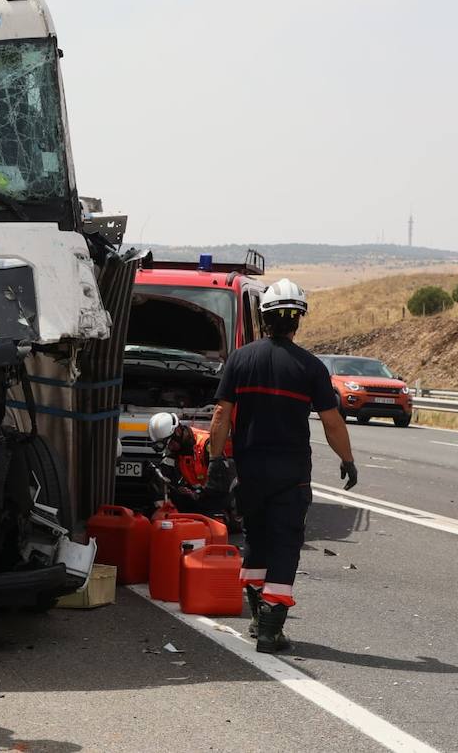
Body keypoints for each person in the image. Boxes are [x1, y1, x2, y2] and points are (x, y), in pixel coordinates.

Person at [206, 279, 357, 654]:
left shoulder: (240, 359)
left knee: (256, 541)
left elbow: (222, 413)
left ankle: (258, 618)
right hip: (290, 474)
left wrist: (215, 459)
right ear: (297, 321)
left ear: (264, 317)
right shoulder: (311, 368)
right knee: (286, 544)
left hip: (250, 470)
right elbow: (333, 422)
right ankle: (272, 630)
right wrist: (347, 460)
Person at [146, 412, 232, 517]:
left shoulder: (206, 444)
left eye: (170, 443)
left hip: (216, 498)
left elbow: (220, 481)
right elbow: (163, 475)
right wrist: (160, 500)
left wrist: (199, 494)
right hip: (196, 497)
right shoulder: (175, 449)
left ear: (177, 432)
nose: (170, 448)